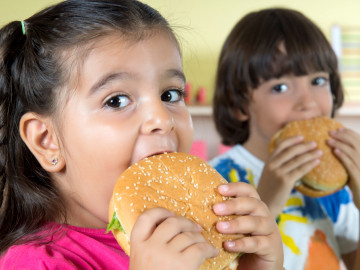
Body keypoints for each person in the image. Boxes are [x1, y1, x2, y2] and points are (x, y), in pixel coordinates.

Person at [0, 1, 284, 269]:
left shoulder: (198, 238)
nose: (162, 119)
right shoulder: (36, 261)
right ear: (46, 141)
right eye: (116, 101)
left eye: (170, 94)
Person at [209, 7, 360, 270]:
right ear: (239, 105)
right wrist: (265, 204)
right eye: (280, 87)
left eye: (319, 81)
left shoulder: (332, 187)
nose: (308, 103)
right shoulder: (216, 182)